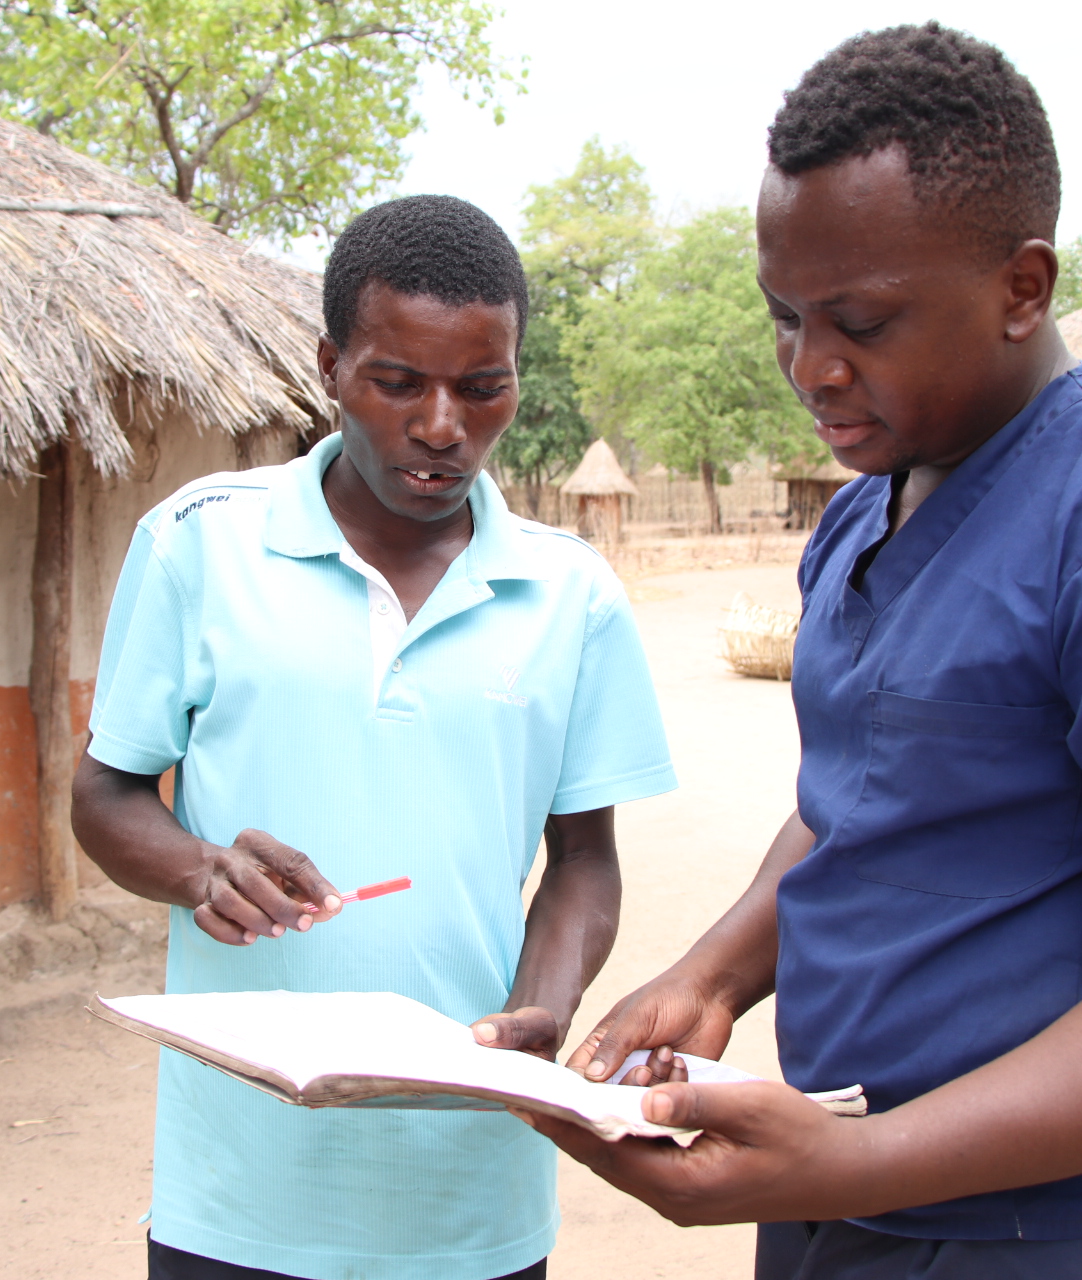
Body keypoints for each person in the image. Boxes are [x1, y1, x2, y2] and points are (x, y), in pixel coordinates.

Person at [524, 23, 1082, 1279]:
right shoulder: (866, 510)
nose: (811, 365)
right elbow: (860, 794)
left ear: (1023, 287)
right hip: (851, 1213)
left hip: (1077, 1239)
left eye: (864, 320)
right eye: (785, 315)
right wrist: (717, 972)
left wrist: (858, 1159)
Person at [71, 194, 677, 1280]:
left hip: (469, 1184)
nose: (442, 424)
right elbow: (105, 797)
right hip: (240, 1184)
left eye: (482, 387)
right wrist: (199, 865)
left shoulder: (571, 593)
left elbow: (585, 861)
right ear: (330, 366)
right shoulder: (200, 545)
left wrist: (543, 1006)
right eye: (398, 382)